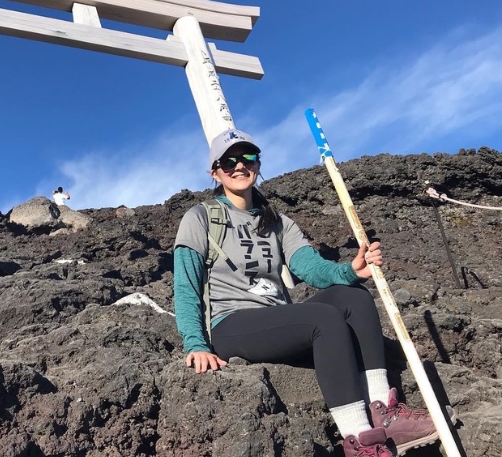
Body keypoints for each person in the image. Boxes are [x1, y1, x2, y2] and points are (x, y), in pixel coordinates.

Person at [173, 129, 438, 457]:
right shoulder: (201, 218)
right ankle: (360, 440)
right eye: (229, 161)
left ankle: (383, 409)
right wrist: (196, 344)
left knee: (353, 296)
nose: (240, 166)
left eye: (248, 158)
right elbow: (185, 284)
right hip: (232, 325)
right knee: (322, 318)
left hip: (276, 319)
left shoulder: (277, 222)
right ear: (215, 171)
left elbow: (310, 267)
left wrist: (350, 271)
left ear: (258, 164)